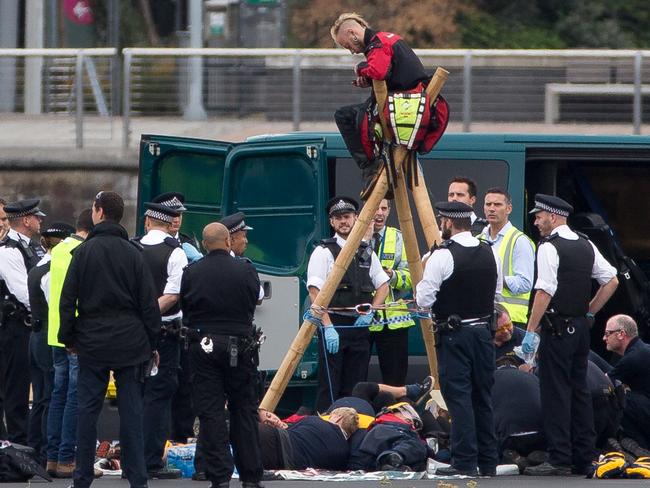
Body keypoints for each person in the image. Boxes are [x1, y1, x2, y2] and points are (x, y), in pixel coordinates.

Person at [59, 191, 161, 488]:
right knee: (132, 411)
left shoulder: (83, 253)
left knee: (87, 410)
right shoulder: (134, 254)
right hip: (131, 341)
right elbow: (148, 304)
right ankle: (137, 478)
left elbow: (68, 301)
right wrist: (152, 342)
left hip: (92, 339)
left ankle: (82, 477)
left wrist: (69, 337)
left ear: (100, 212)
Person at [522, 194, 618, 476]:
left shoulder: (550, 247)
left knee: (555, 393)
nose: (536, 221)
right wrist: (588, 312)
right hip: (579, 331)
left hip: (557, 329)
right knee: (579, 393)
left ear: (553, 216)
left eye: (539, 216)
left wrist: (530, 329)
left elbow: (544, 290)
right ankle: (584, 456)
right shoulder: (586, 244)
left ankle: (559, 457)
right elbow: (610, 279)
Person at [416, 200, 500, 477]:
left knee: (459, 397)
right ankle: (488, 461)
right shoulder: (490, 251)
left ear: (448, 223)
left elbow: (423, 299)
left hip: (455, 335)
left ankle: (464, 461)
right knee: (483, 397)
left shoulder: (442, 255)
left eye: (442, 221)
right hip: (484, 334)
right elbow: (496, 293)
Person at [180, 222, 263, 488]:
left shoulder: (192, 272)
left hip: (204, 346)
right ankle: (251, 476)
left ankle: (220, 476)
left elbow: (186, 306)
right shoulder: (246, 269)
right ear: (228, 241)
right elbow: (254, 299)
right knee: (244, 411)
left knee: (211, 412)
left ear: (204, 244)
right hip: (241, 345)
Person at [331, 13, 431, 199]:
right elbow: (392, 74)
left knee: (344, 116)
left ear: (353, 32)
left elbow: (378, 71)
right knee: (350, 114)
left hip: (403, 105)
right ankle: (375, 167)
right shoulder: (386, 39)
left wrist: (361, 68)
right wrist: (367, 81)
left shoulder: (378, 43)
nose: (352, 51)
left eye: (347, 45)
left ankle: (370, 166)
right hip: (406, 101)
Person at [307, 196, 389, 412]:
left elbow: (383, 286)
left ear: (355, 219)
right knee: (330, 387)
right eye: (338, 218)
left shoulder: (366, 252)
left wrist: (371, 310)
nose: (343, 221)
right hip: (334, 326)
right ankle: (326, 428)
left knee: (356, 386)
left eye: (347, 217)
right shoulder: (324, 251)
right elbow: (315, 292)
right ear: (332, 223)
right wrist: (327, 326)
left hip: (359, 328)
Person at [136, 201, 188, 479]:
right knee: (159, 394)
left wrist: (136, 318)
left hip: (133, 332)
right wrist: (148, 315)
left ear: (147, 222)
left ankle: (133, 459)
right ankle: (151, 461)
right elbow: (172, 295)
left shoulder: (133, 247)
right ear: (169, 224)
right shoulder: (174, 252)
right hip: (164, 332)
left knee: (135, 394)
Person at [45, 209, 94, 479]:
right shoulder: (83, 251)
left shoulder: (59, 249)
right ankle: (67, 459)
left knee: (58, 394)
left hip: (56, 333)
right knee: (76, 397)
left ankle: (52, 457)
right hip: (76, 334)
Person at [27, 221, 74, 464]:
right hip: (48, 337)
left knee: (43, 397)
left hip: (37, 335)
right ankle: (43, 449)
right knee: (50, 396)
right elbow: (54, 305)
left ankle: (36, 446)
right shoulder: (50, 272)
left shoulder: (38, 267)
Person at [0, 198, 46, 444]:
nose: (40, 221)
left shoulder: (34, 247)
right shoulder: (8, 251)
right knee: (16, 389)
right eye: (37, 217)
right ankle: (17, 443)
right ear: (26, 220)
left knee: (35, 387)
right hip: (16, 327)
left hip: (32, 326)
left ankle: (30, 441)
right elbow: (25, 293)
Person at [367, 199, 413, 386]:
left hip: (393, 323)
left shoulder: (399, 237)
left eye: (384, 208)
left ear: (389, 211)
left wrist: (392, 276)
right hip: (364, 318)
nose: (379, 212)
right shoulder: (355, 237)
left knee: (395, 379)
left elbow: (412, 277)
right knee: (357, 373)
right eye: (375, 207)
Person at [480, 188, 535, 328]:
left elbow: (525, 283)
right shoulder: (477, 239)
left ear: (509, 209)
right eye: (488, 204)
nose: (491, 209)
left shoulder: (519, 241)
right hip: (481, 317)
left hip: (510, 321)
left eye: (497, 205)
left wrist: (495, 279)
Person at [259, 407, 359, 471]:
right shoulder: (344, 452)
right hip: (287, 466)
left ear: (337, 418)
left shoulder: (314, 420)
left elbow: (288, 430)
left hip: (275, 440)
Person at [605, 314, 650, 449]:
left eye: (608, 334)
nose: (604, 338)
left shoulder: (632, 358)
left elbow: (603, 381)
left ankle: (639, 444)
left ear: (621, 334)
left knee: (615, 397)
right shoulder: (643, 348)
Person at [220, 211, 265, 304]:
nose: (246, 241)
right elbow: (259, 297)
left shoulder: (200, 264)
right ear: (231, 240)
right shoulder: (245, 268)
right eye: (244, 236)